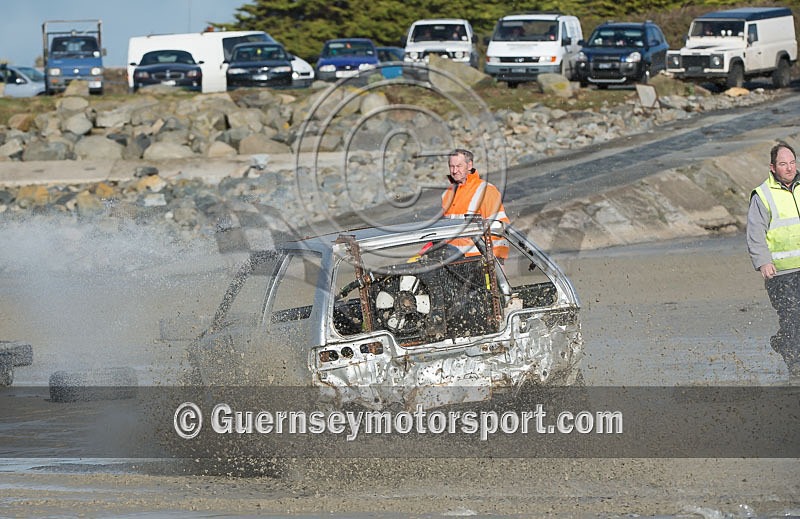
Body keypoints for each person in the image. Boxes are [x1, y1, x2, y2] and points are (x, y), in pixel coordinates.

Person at [746, 141, 800, 378]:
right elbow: (755, 232)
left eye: (792, 162)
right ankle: (795, 367)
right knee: (792, 318)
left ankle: (782, 342)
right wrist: (762, 261)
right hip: (780, 273)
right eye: (783, 164)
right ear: (772, 167)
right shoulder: (763, 195)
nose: (789, 168)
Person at [441, 148, 510, 259]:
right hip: (454, 262)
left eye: (459, 166)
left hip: (480, 261)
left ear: (469, 166)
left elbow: (499, 229)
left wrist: (497, 261)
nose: (454, 171)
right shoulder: (447, 195)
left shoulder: (486, 191)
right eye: (451, 166)